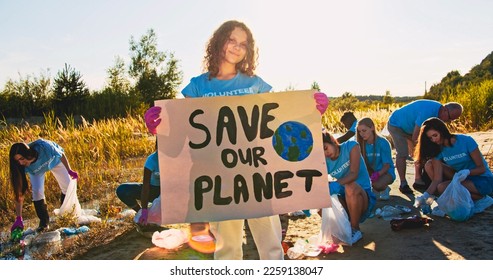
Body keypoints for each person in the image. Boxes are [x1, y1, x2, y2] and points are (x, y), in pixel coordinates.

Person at [144, 20, 329, 259]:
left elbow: (277, 125)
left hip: (259, 178)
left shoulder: (256, 84)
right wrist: (159, 128)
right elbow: (184, 136)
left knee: (271, 247)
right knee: (227, 250)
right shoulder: (198, 87)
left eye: (243, 43)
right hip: (218, 181)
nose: (237, 47)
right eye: (232, 40)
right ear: (219, 42)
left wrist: (309, 112)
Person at [413, 117, 493, 209]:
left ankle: (483, 198)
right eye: (430, 138)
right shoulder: (437, 149)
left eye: (435, 135)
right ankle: (447, 197)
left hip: (482, 178)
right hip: (461, 178)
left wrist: (467, 172)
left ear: (442, 131)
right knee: (430, 165)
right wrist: (425, 196)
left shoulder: (466, 141)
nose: (434, 140)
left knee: (443, 188)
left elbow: (481, 168)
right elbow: (437, 179)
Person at [387, 99, 462, 194]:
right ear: (444, 110)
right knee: (403, 152)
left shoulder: (438, 114)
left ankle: (418, 179)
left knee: (421, 150)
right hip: (396, 124)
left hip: (410, 126)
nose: (449, 121)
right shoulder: (427, 112)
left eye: (453, 120)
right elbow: (415, 138)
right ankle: (403, 183)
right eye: (450, 118)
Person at [9, 139, 79, 232]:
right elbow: (19, 193)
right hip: (36, 172)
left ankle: (65, 214)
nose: (21, 163)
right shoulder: (21, 166)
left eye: (22, 158)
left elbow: (61, 154)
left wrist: (69, 170)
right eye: (17, 161)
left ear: (28, 154)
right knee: (37, 192)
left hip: (55, 162)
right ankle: (44, 222)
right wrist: (19, 218)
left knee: (67, 186)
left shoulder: (45, 147)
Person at [322, 130, 376, 244]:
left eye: (326, 148)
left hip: (362, 196)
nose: (326, 153)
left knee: (350, 186)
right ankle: (339, 229)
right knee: (321, 198)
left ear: (332, 141)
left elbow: (353, 174)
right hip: (345, 199)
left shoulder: (351, 146)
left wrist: (335, 185)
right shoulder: (325, 162)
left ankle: (355, 229)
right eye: (322, 152)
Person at [116, 140, 161, 222]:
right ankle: (140, 212)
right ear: (157, 146)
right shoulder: (151, 160)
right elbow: (145, 187)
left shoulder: (175, 159)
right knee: (122, 190)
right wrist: (144, 211)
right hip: (154, 190)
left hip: (169, 193)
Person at [356, 117, 396, 200]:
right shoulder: (360, 144)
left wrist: (377, 174)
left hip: (385, 172)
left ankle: (384, 188)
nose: (361, 134)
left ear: (372, 128)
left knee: (376, 184)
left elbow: (387, 165)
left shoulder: (383, 142)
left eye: (364, 131)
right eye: (359, 131)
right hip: (370, 172)